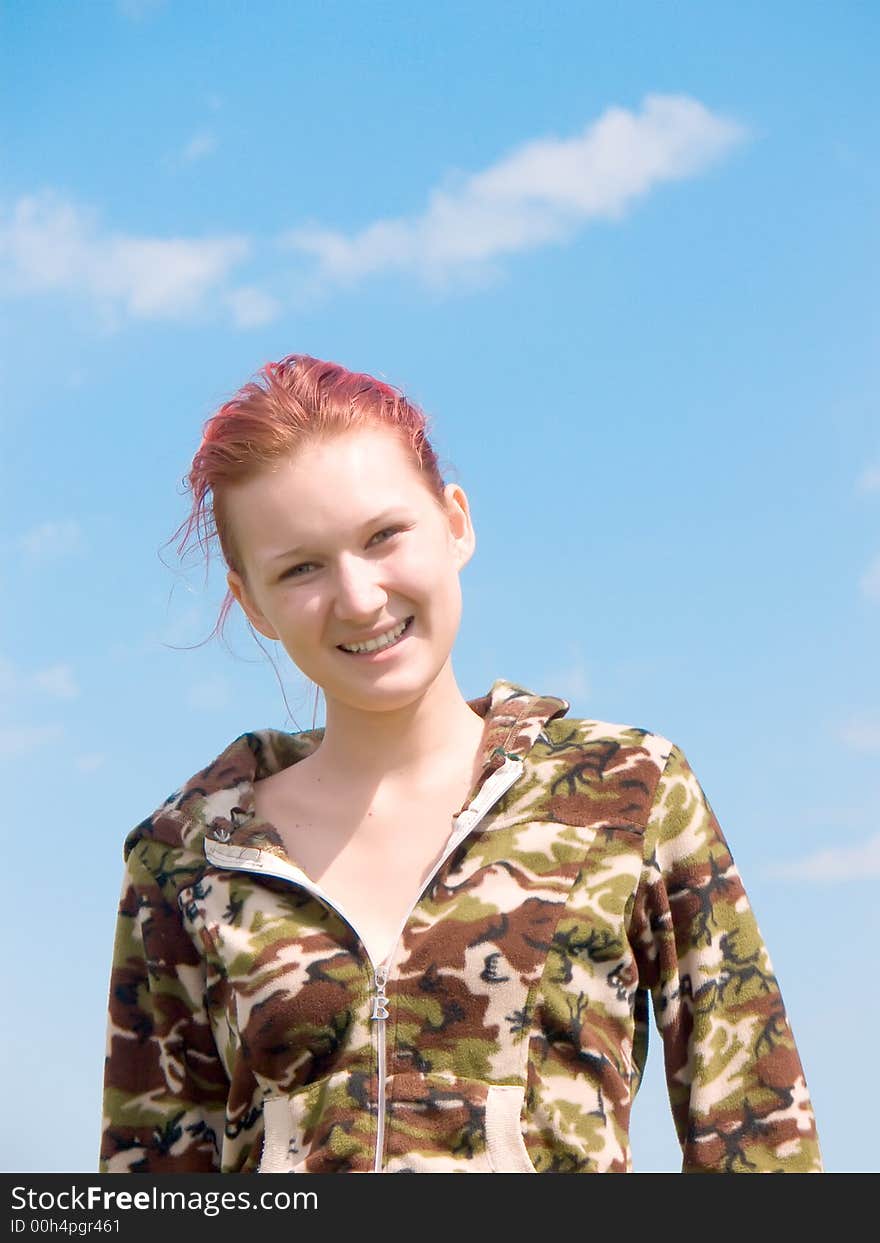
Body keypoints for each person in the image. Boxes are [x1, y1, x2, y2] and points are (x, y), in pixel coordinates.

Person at [99, 353, 822, 1174]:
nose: (360, 596)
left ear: (457, 522)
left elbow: (760, 1145)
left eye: (384, 536)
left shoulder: (633, 790)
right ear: (253, 601)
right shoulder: (180, 857)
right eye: (300, 567)